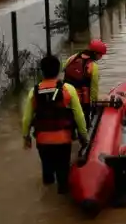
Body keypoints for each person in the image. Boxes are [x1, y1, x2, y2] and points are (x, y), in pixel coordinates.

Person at [21, 54, 90, 194]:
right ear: (58, 70)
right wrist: (84, 136)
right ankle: (61, 198)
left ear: (42, 71)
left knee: (47, 173)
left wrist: (26, 137)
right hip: (63, 140)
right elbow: (79, 116)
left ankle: (47, 194)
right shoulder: (68, 89)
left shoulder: (33, 92)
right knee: (63, 174)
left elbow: (26, 119)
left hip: (43, 141)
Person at [63, 39, 106, 124]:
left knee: (70, 121)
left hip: (66, 97)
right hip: (82, 102)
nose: (101, 57)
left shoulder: (72, 58)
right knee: (84, 123)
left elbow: (64, 69)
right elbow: (94, 89)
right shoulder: (93, 67)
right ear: (95, 53)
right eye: (100, 55)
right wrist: (94, 104)